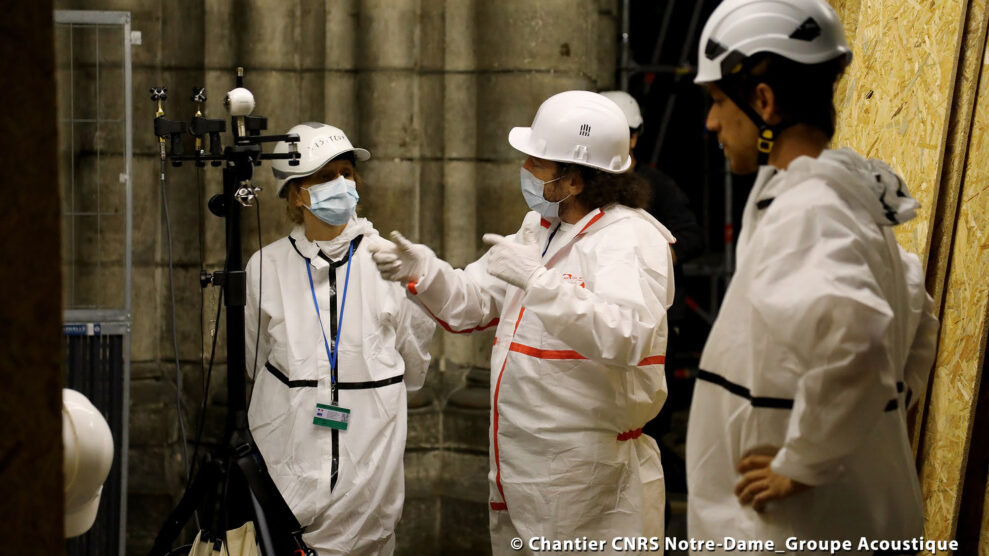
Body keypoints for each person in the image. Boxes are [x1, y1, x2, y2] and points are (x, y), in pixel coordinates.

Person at [369, 91, 674, 555]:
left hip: (590, 483)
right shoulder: (540, 228)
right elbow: (471, 303)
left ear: (573, 180)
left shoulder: (629, 238)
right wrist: (422, 272)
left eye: (535, 161)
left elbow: (627, 334)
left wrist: (538, 282)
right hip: (522, 469)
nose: (525, 170)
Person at [685, 0, 939, 551]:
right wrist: (875, 419)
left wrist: (802, 463)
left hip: (802, 524)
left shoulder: (810, 211)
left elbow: (859, 335)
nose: (711, 123)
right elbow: (918, 313)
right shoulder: (839, 198)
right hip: (842, 513)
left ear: (763, 101)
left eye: (717, 101)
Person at [244, 122, 436, 555]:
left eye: (347, 173)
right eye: (325, 177)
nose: (342, 184)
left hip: (368, 461)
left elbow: (414, 357)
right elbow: (254, 360)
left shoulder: (386, 260)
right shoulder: (265, 266)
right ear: (296, 193)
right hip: (288, 457)